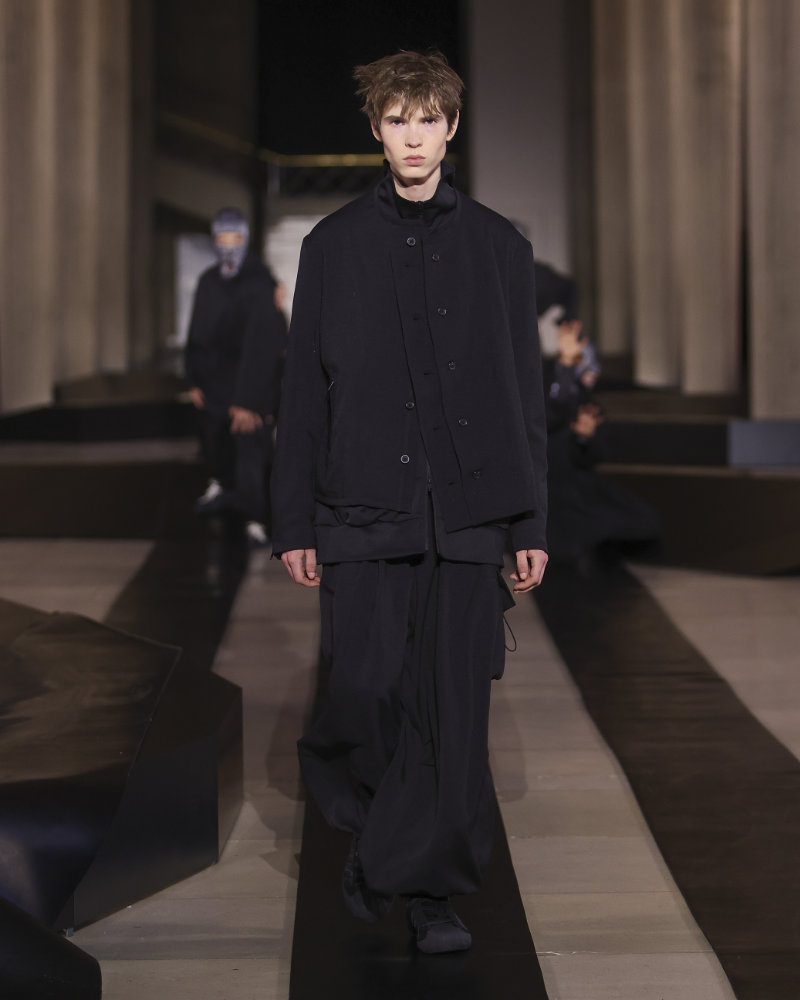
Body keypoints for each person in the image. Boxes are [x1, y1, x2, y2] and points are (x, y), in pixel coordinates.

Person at [270, 50, 548, 954]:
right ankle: (385, 841)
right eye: (398, 120)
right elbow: (303, 393)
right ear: (376, 129)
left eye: (429, 120)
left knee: (453, 716)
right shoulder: (332, 245)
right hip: (362, 507)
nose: (414, 137)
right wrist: (294, 520)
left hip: (469, 516)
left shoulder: (501, 248)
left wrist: (530, 521)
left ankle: (430, 891)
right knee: (360, 693)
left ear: (451, 127)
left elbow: (524, 393)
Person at [185, 208, 287, 546]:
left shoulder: (261, 285)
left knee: (251, 456)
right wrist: (192, 380)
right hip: (213, 389)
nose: (228, 246)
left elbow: (264, 347)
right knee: (217, 448)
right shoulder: (209, 281)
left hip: (250, 391)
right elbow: (196, 333)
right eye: (222, 238)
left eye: (235, 238)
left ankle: (257, 521)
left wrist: (249, 400)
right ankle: (226, 496)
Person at [543, 322, 659, 562]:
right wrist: (565, 364)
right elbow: (553, 412)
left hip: (579, 487)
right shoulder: (548, 390)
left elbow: (596, 455)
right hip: (550, 488)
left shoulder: (587, 402)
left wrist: (585, 438)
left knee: (638, 520)